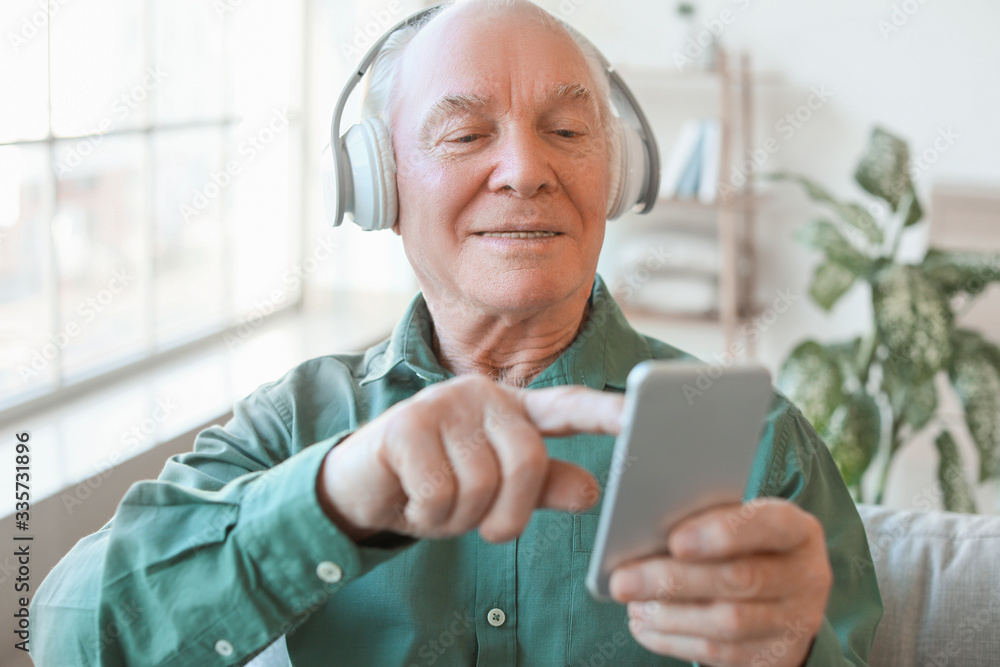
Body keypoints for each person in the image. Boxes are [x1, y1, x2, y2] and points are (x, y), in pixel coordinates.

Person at [32, 1, 882, 665]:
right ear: (376, 184)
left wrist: (787, 650)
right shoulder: (298, 422)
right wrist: (329, 498)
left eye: (569, 131)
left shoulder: (754, 439)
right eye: (466, 134)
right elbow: (71, 637)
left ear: (617, 174)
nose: (523, 170)